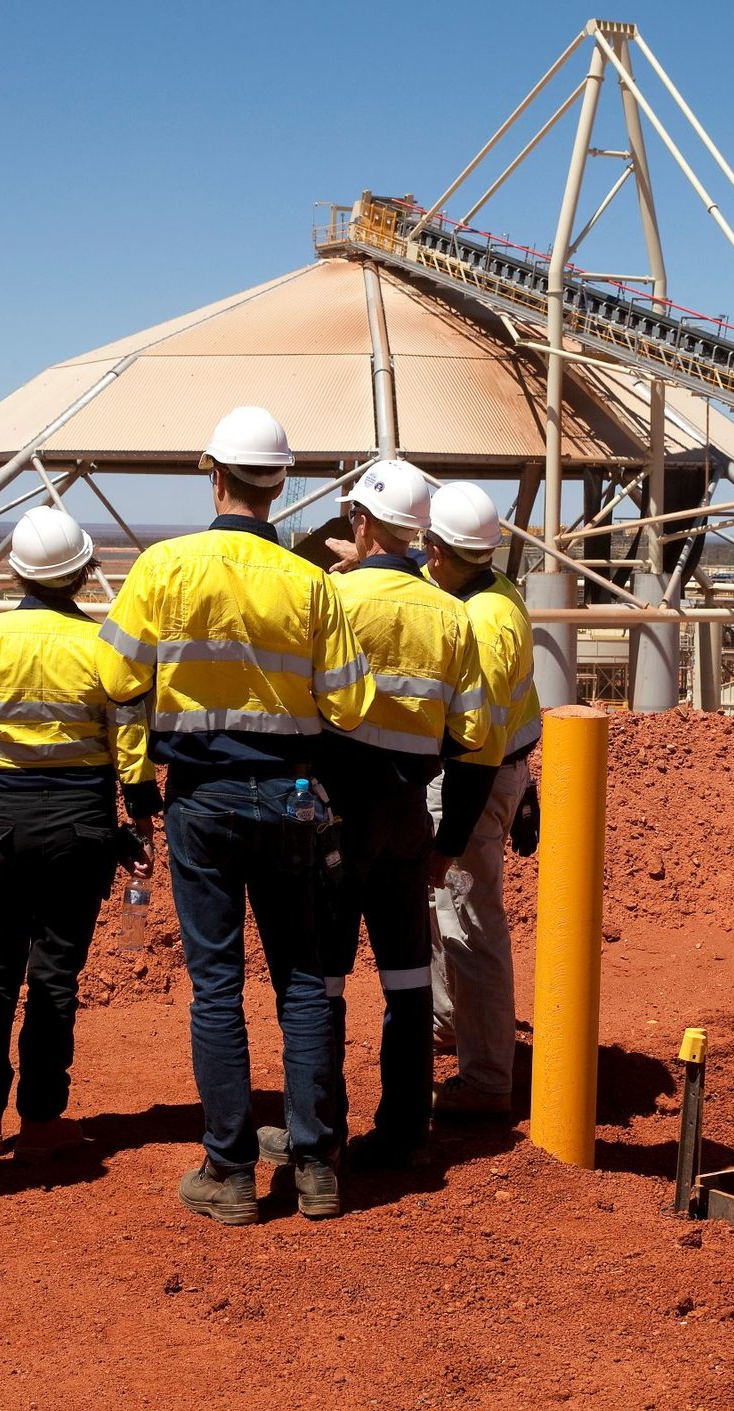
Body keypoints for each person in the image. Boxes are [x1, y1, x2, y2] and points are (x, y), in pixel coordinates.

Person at [95, 405, 374, 1225]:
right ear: (280, 483)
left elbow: (115, 678)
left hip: (203, 801)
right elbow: (352, 704)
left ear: (214, 476)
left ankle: (231, 1171)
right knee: (299, 978)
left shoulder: (164, 567)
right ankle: (317, 1165)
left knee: (216, 983)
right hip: (290, 799)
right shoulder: (312, 584)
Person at [259, 459, 487, 1175]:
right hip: (406, 808)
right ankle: (404, 1132)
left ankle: (318, 1133)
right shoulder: (452, 613)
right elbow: (472, 732)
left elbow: (294, 705)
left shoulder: (332, 597)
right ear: (420, 535)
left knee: (321, 978)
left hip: (333, 806)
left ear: (360, 522)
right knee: (409, 978)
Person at [0, 505, 160, 1158]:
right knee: (55, 977)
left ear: (17, 572)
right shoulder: (105, 645)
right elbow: (131, 746)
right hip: (79, 828)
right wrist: (135, 820)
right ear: (83, 571)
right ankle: (44, 1117)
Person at [422, 481, 543, 1117]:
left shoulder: (482, 620)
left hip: (472, 778)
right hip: (499, 772)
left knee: (471, 923)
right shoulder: (494, 592)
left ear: (438, 548)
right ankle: (451, 1029)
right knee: (448, 916)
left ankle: (489, 1077)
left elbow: (480, 742)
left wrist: (449, 836)